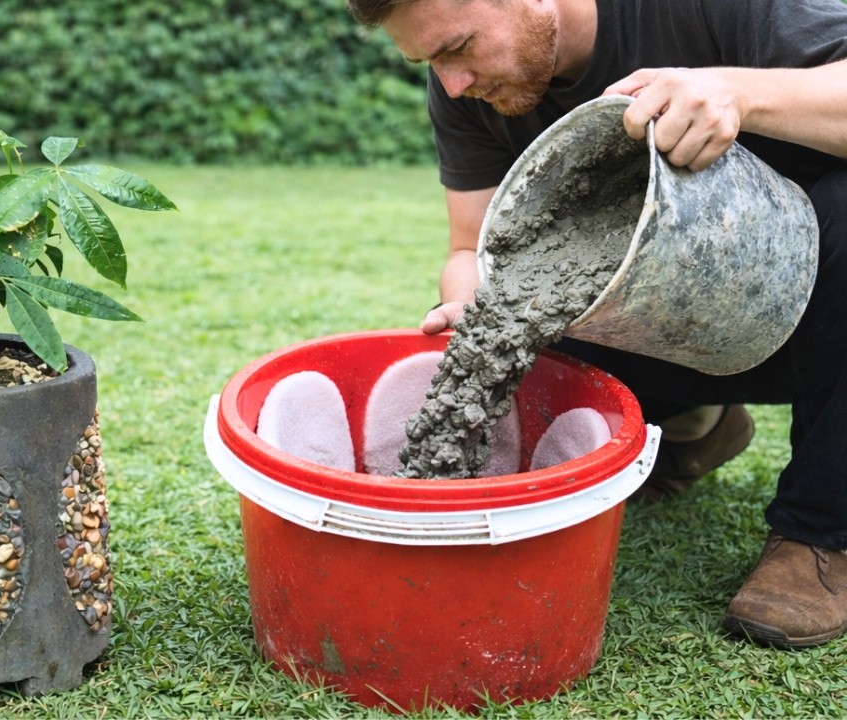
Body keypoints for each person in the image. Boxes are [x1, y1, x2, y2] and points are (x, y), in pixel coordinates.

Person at [346, 0, 847, 649]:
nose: (451, 82)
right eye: (428, 63)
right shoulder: (468, 91)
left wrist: (738, 91)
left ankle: (823, 535)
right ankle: (695, 423)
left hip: (823, 306)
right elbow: (471, 249)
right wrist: (478, 311)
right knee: (535, 297)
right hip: (682, 321)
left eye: (456, 48)